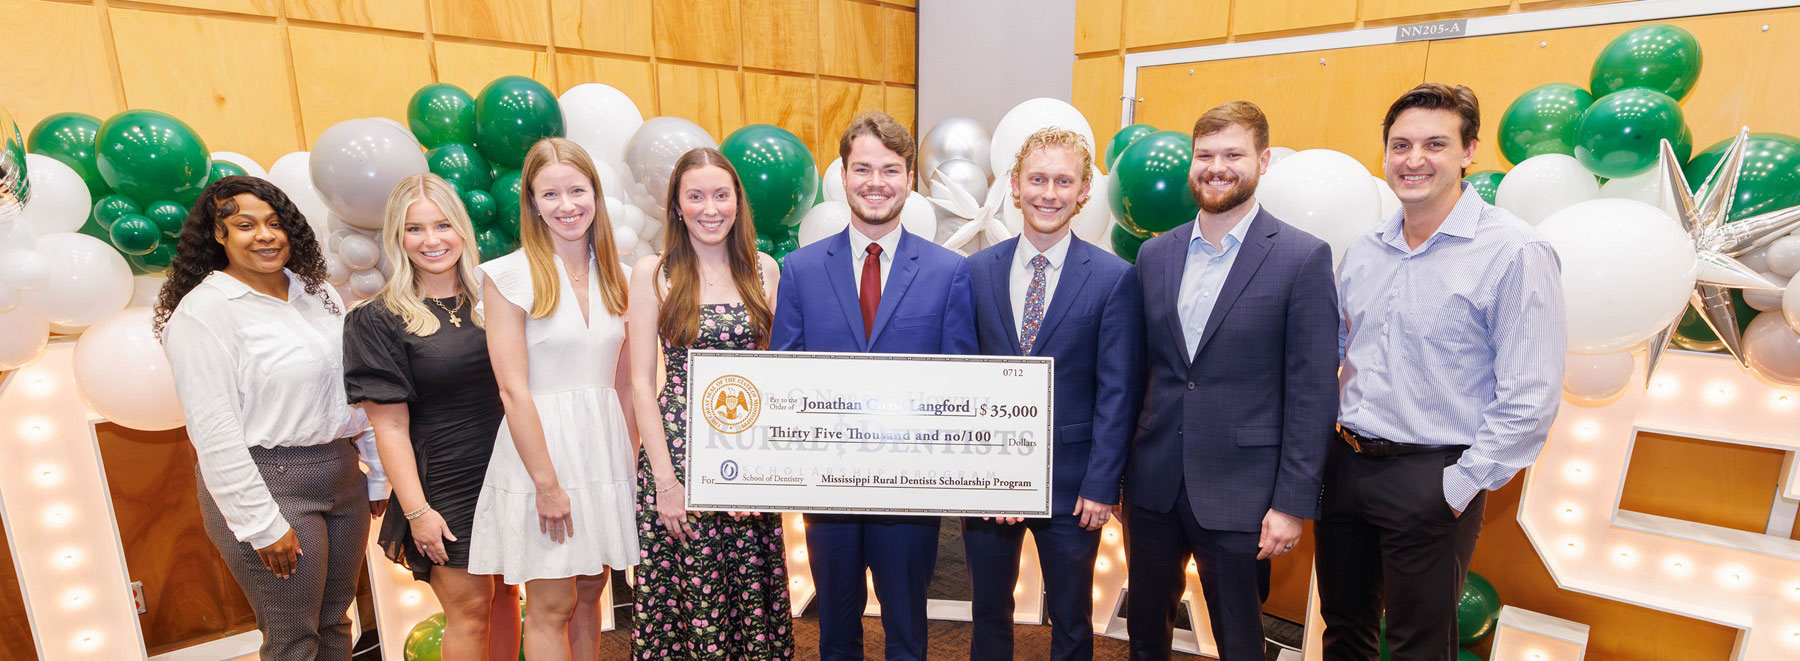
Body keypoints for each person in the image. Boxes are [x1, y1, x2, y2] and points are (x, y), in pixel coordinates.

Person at [1320, 83, 1564, 661]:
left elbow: (1530, 394)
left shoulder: (1514, 251)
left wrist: (1457, 486)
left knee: (1419, 648)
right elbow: (1334, 350)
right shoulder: (1366, 248)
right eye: (1400, 145)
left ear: (1468, 151)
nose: (1414, 160)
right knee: (1344, 630)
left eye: (1435, 143)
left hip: (1433, 476)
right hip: (1347, 466)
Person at [1126, 101, 1339, 661]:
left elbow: (1314, 391)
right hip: (1152, 483)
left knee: (1240, 641)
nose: (1216, 167)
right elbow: (1139, 370)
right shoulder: (1155, 254)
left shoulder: (1302, 258)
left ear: (1263, 161)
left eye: (1233, 154)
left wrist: (1292, 503)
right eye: (1205, 155)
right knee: (1145, 630)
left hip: (1243, 494)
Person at [770, 111, 977, 661]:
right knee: (835, 630)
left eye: (890, 169)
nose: (876, 182)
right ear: (842, 175)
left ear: (909, 178)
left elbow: (960, 384)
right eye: (863, 168)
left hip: (909, 495)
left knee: (907, 628)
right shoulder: (801, 269)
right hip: (827, 489)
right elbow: (783, 375)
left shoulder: (949, 271)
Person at [155, 175, 389, 661]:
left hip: (340, 473)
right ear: (218, 235)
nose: (265, 235)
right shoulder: (204, 312)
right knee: (293, 641)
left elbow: (353, 383)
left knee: (335, 624)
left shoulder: (317, 291)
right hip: (270, 483)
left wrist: (376, 472)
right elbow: (213, 431)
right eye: (245, 225)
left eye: (275, 223)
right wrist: (261, 525)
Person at [963, 127, 1145, 661]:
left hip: (1074, 486)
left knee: (1071, 618)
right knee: (987, 611)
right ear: (1014, 187)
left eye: (1063, 181)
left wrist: (1101, 481)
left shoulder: (1114, 278)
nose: (1049, 193)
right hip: (989, 481)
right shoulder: (973, 272)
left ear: (1085, 191)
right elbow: (961, 378)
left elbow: (1118, 388)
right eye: (1036, 179)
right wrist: (975, 473)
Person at [466, 137, 639, 661]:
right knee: (551, 604)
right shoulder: (508, 277)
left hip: (603, 450)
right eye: (551, 194)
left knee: (591, 594)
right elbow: (512, 389)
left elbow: (627, 384)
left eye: (577, 190)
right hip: (541, 452)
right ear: (532, 202)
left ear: (596, 194)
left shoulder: (623, 278)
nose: (567, 205)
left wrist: (630, 465)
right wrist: (546, 483)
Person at [343, 174, 520, 660]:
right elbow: (389, 427)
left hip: (508, 469)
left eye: (442, 225)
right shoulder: (376, 318)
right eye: (414, 229)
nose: (431, 240)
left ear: (462, 229)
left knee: (508, 596)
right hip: (443, 481)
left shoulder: (496, 299)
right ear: (397, 239)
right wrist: (418, 512)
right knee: (471, 610)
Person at [626, 147, 793, 659]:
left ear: (738, 202)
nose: (710, 208)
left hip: (746, 458)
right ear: (677, 206)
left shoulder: (763, 270)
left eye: (721, 195)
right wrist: (667, 484)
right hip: (676, 459)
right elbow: (639, 383)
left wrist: (762, 472)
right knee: (691, 608)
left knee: (750, 607)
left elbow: (776, 378)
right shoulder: (653, 273)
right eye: (695, 196)